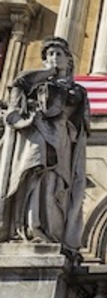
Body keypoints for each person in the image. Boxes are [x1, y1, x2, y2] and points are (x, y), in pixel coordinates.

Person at [1, 36, 89, 250]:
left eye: (58, 54)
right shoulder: (32, 82)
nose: (53, 58)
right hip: (34, 135)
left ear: (68, 61)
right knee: (30, 174)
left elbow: (76, 110)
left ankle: (47, 229)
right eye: (50, 54)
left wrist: (56, 79)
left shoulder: (75, 90)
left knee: (53, 183)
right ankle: (25, 227)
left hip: (60, 141)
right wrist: (48, 74)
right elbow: (18, 86)